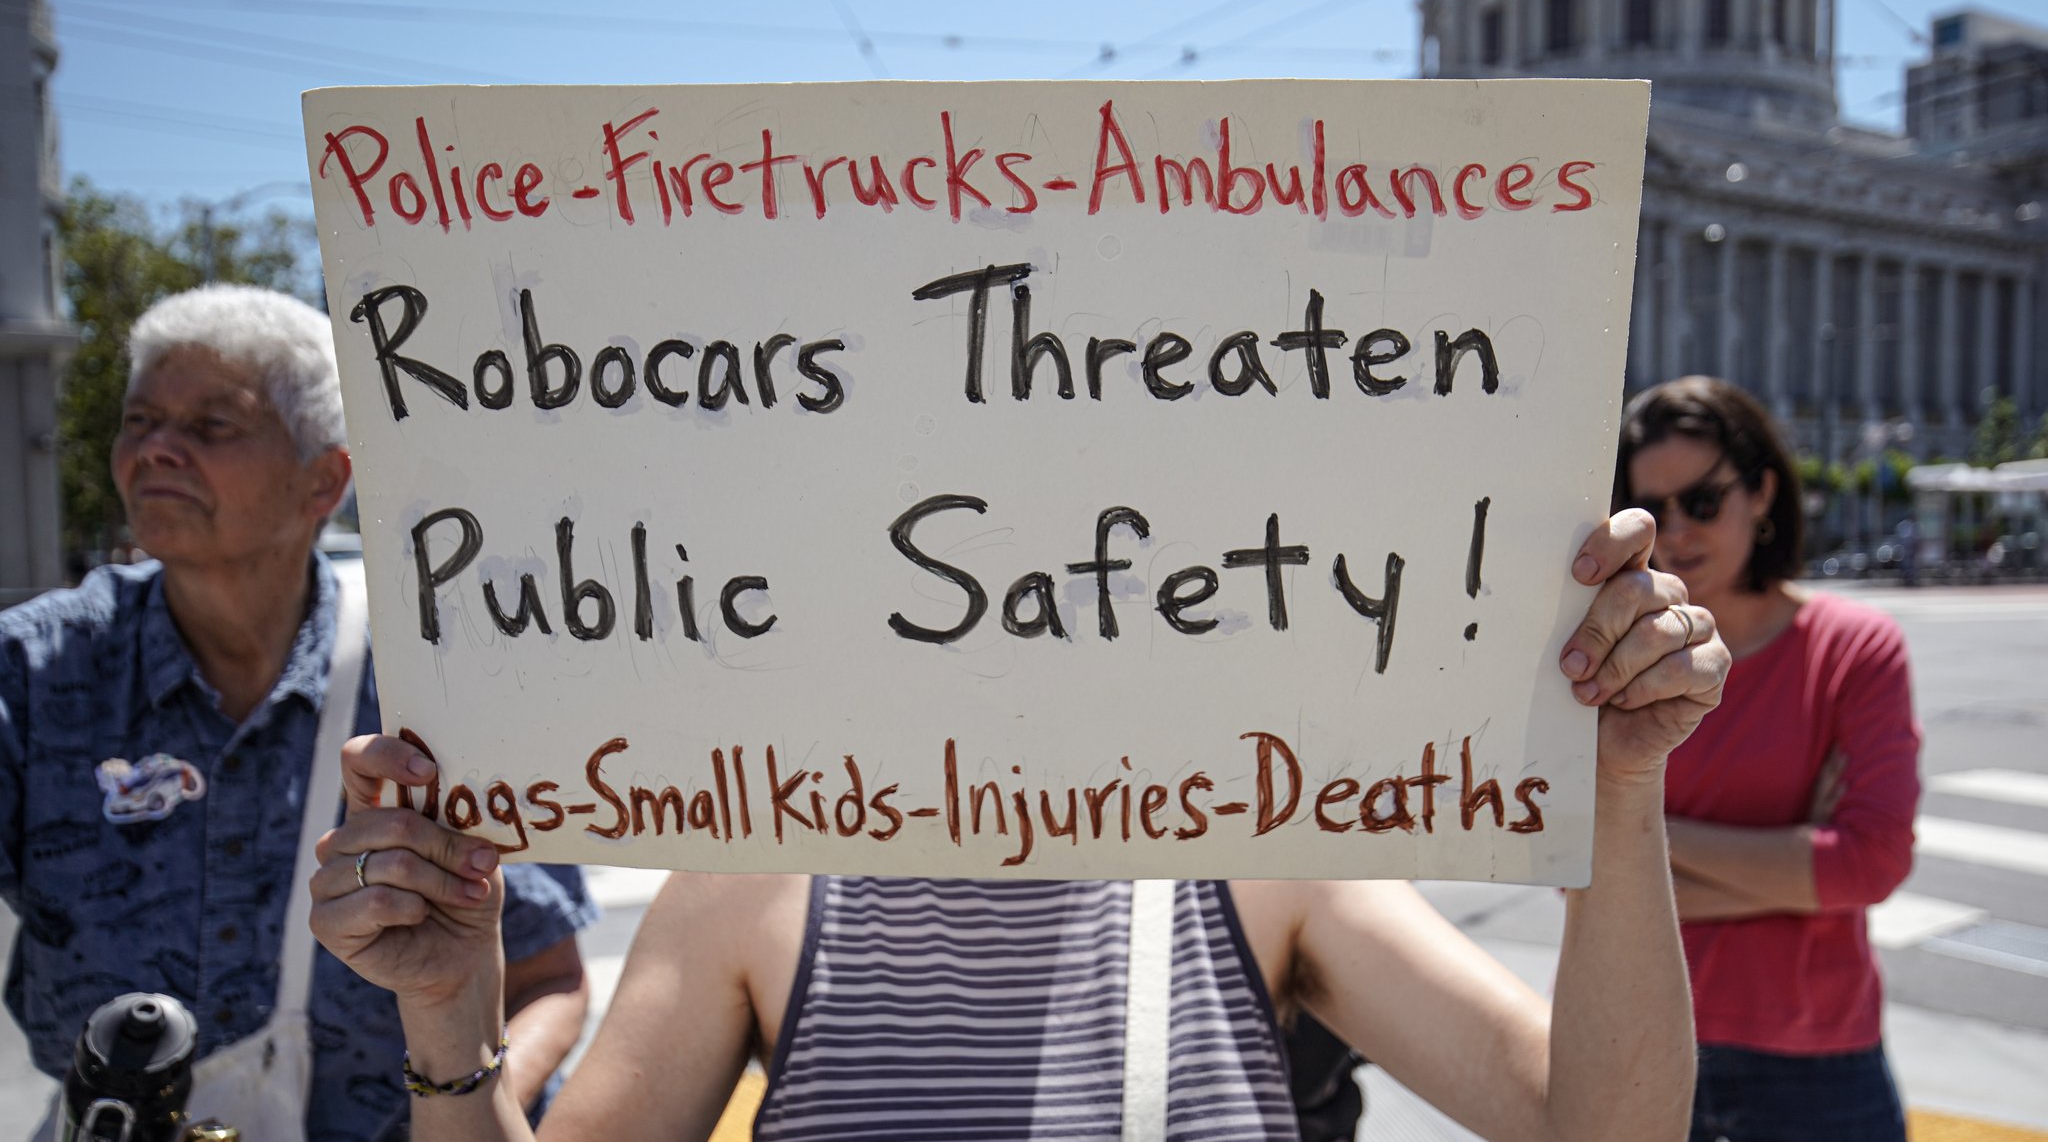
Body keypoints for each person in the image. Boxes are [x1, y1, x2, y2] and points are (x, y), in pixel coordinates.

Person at [309, 506, 1725, 1142]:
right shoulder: (751, 885)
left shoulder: (1264, 861)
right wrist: (448, 1021)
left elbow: (1606, 1127)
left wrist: (1615, 788)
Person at [0, 285, 599, 1140]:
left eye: (211, 426)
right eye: (140, 421)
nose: (158, 450)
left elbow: (551, 981)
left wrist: (461, 1108)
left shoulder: (435, 688)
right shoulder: (30, 670)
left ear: (324, 480)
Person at [1614, 377, 1921, 1142]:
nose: (1677, 530)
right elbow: (1571, 871)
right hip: (1630, 1041)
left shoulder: (1853, 649)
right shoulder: (1619, 655)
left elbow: (1872, 863)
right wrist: (1798, 874)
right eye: (1653, 510)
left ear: (1763, 492)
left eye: (1703, 501)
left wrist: (1640, 841)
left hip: (1817, 1068)